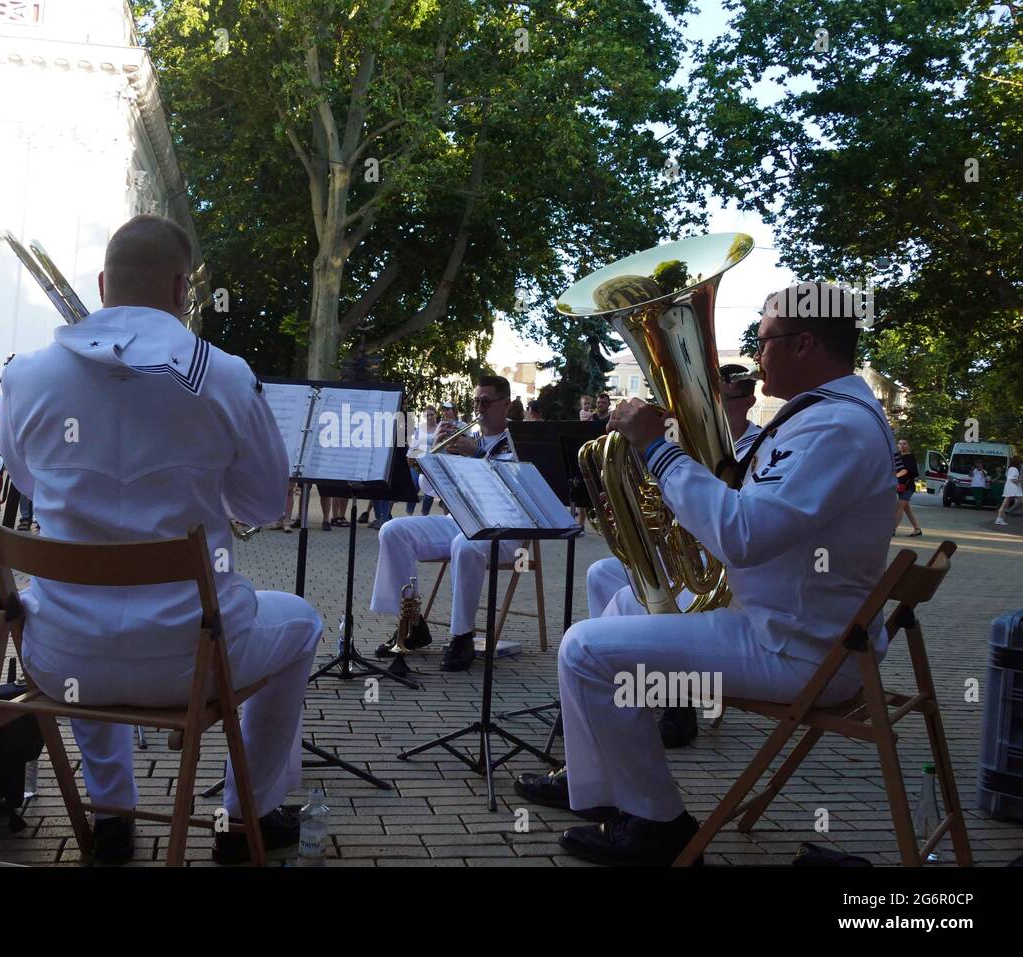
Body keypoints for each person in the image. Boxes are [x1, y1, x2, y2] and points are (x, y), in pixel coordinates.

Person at [524, 282, 896, 866]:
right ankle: (596, 782)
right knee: (618, 594)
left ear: (803, 345)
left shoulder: (835, 428)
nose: (755, 351)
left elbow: (743, 535)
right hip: (790, 622)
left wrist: (659, 451)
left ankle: (657, 824)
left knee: (584, 649)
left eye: (764, 339)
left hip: (794, 646)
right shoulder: (821, 416)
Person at [0, 214, 324, 865]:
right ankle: (244, 815)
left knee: (82, 593)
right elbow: (262, 501)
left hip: (60, 658)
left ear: (101, 283)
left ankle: (113, 814)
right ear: (182, 289)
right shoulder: (223, 374)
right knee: (303, 621)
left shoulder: (26, 374)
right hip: (190, 662)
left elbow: (28, 482)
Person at [561, 362, 762, 752]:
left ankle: (677, 703)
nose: (710, 408)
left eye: (721, 400)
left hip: (721, 571)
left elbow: (738, 519)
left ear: (749, 401)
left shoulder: (756, 448)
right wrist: (626, 505)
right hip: (688, 558)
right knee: (603, 573)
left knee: (640, 599)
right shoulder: (683, 443)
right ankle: (630, 685)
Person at [368, 375, 517, 671]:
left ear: (506, 405)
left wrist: (477, 455)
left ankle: (462, 635)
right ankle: (410, 624)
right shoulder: (467, 439)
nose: (478, 408)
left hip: (505, 529)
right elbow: (430, 488)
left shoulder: (518, 442)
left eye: (485, 402)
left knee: (465, 545)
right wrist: (434, 454)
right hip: (459, 520)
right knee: (393, 530)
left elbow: (510, 487)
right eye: (475, 401)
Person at [406, 405, 439, 516]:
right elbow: (414, 443)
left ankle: (424, 514)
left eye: (431, 415)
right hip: (417, 462)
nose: (429, 417)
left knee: (428, 491)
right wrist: (409, 457)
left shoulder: (440, 428)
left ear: (436, 414)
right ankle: (409, 513)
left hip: (431, 463)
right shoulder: (420, 428)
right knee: (413, 487)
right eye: (427, 415)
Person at [894, 438, 923, 535]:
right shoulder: (897, 456)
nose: (902, 445)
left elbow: (905, 470)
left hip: (908, 487)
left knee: (899, 507)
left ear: (908, 445)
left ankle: (892, 530)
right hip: (899, 486)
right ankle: (917, 529)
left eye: (904, 444)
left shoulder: (910, 457)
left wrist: (894, 476)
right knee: (907, 509)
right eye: (900, 443)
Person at [996, 455, 1022, 526]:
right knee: (1020, 500)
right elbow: (1014, 480)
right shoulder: (1015, 469)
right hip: (1014, 488)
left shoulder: (1010, 468)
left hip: (1009, 487)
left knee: (1005, 503)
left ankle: (999, 518)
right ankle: (1003, 515)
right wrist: (1021, 480)